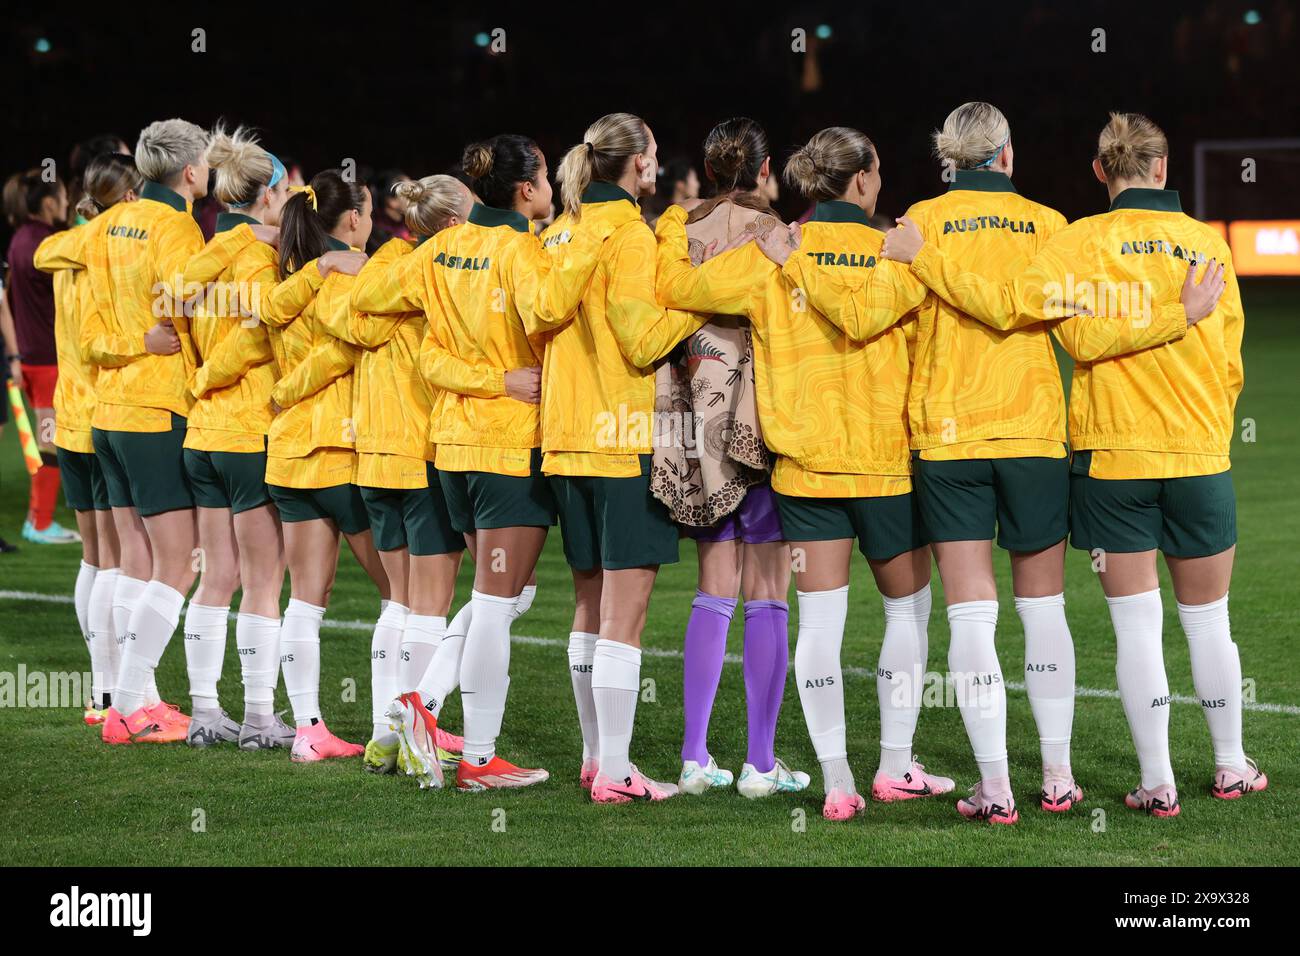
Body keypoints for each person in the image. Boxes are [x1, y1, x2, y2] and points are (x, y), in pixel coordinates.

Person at [880, 112, 1253, 818]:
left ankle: (998, 789)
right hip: (1048, 436)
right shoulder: (1060, 226)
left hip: (967, 436)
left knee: (972, 621)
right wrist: (1200, 397)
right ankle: (1064, 776)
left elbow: (1051, 326)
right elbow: (1228, 361)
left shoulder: (927, 223)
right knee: (1062, 610)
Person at [658, 127, 949, 821]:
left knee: (820, 623)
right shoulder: (898, 254)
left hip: (803, 471)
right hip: (887, 469)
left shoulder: (770, 255)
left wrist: (675, 229)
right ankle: (896, 765)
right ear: (863, 181)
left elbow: (679, 288)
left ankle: (839, 781)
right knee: (909, 613)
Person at [531, 112, 712, 803]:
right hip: (624, 441)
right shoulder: (630, 236)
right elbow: (641, 342)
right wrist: (697, 307)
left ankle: (594, 756)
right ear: (636, 165)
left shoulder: (560, 231)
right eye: (656, 156)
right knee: (623, 618)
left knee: (588, 605)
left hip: (566, 440)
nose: (659, 167)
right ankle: (615, 771)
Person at [650, 117, 808, 799]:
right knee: (769, 591)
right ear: (766, 168)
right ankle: (761, 765)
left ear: (710, 170)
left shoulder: (675, 230)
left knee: (713, 587)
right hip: (761, 419)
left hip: (695, 424)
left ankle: (693, 757)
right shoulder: (779, 238)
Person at [85, 118, 214, 746]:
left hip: (106, 411)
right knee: (178, 564)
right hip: (156, 410)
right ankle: (129, 708)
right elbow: (196, 307)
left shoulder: (105, 223)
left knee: (135, 558)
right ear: (191, 173)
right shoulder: (177, 226)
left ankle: (130, 697)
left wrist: (131, 340)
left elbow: (86, 335)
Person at [262, 168, 391, 762]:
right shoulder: (344, 276)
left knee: (307, 597)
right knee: (403, 595)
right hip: (339, 451)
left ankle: (309, 730)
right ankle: (395, 730)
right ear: (354, 221)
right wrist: (292, 389)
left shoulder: (292, 278)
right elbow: (343, 349)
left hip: (288, 455)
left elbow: (267, 316)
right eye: (368, 212)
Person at [178, 125, 292, 749]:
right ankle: (256, 718)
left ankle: (202, 713)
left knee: (214, 576)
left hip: (202, 434)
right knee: (262, 581)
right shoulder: (262, 261)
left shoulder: (196, 260)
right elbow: (260, 338)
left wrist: (199, 379)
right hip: (249, 431)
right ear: (268, 195)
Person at [33, 153, 142, 721]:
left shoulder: (70, 245)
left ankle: (101, 691)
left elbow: (41, 251)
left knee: (97, 558)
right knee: (120, 558)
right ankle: (119, 691)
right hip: (106, 413)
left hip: (69, 413)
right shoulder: (108, 246)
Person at [8, 167, 79, 545]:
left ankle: (39, 519)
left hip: (33, 356)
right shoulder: (47, 243)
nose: (68, 203)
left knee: (47, 438)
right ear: (50, 202)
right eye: (65, 197)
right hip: (49, 358)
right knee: (49, 439)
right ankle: (39, 523)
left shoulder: (20, 238)